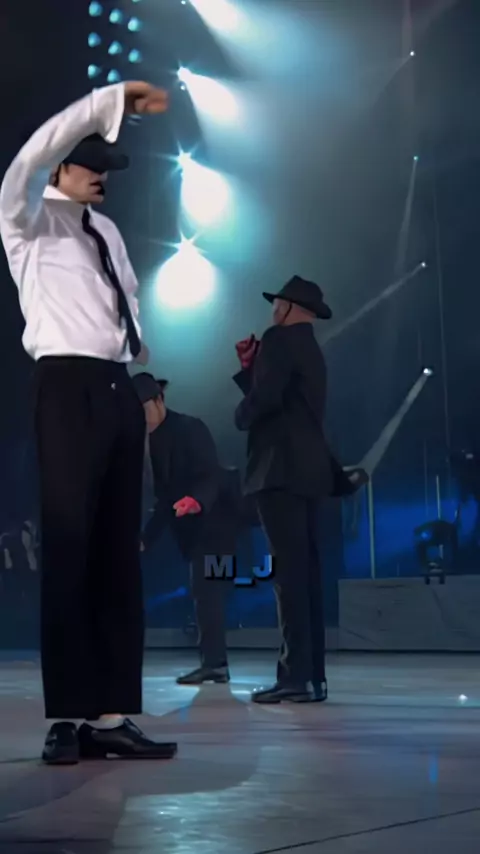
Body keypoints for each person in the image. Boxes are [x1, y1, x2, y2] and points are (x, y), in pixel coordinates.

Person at [0, 81, 178, 764]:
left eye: (108, 169)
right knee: (70, 547)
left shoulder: (105, 229)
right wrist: (112, 100)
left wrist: (136, 361)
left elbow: (126, 298)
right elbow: (30, 154)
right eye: (91, 166)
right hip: (65, 385)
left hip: (114, 387)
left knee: (117, 553)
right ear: (60, 168)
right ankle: (67, 716)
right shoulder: (26, 217)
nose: (103, 178)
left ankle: (109, 715)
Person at [233, 275, 367, 704]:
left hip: (279, 471)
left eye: (277, 303)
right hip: (310, 472)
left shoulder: (278, 339)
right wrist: (251, 371)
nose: (272, 309)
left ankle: (294, 676)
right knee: (306, 575)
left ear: (289, 307)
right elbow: (284, 398)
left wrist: (240, 412)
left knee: (287, 576)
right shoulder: (311, 348)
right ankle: (312, 678)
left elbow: (267, 400)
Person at [133, 373, 243, 685]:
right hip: (193, 532)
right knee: (207, 592)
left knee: (208, 590)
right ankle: (215, 662)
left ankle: (215, 664)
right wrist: (147, 539)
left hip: (218, 525)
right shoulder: (148, 443)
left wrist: (196, 500)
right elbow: (165, 500)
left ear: (159, 400)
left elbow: (211, 475)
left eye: (143, 410)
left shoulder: (190, 427)